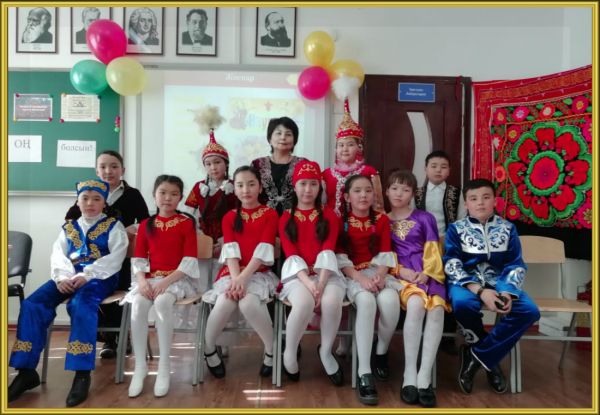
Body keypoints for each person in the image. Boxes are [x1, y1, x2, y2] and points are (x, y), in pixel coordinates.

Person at [8, 179, 128, 407]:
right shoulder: (68, 227)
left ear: (104, 203)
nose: (90, 203)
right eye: (85, 198)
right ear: (77, 201)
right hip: (67, 276)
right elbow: (58, 255)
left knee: (80, 304)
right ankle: (25, 371)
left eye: (96, 199)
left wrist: (88, 275)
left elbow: (116, 258)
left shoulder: (114, 226)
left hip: (100, 278)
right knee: (33, 304)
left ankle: (81, 373)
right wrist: (62, 277)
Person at [443, 178, 540, 395]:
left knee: (529, 311)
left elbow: (515, 263)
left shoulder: (508, 228)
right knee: (462, 304)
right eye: (473, 199)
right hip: (466, 283)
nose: (480, 203)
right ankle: (491, 361)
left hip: (501, 283)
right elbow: (451, 263)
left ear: (495, 201)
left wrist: (506, 292)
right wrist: (480, 291)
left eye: (486, 197)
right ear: (466, 204)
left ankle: (477, 356)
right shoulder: (455, 229)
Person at [65, 150, 150, 359]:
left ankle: (121, 336)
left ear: (123, 170)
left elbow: (147, 223)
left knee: (119, 284)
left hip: (123, 256)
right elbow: (71, 220)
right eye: (102, 167)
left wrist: (131, 229)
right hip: (92, 258)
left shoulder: (132, 194)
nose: (108, 171)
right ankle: (106, 338)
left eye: (114, 166)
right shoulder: (89, 193)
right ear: (96, 171)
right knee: (87, 290)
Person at [125, 175, 200, 398]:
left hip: (177, 279)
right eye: (163, 193)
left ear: (180, 198)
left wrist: (166, 282)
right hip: (150, 279)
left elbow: (189, 261)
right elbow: (139, 259)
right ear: (154, 195)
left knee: (163, 302)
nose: (168, 198)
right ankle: (140, 367)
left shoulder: (186, 223)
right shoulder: (146, 225)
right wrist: (142, 281)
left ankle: (164, 367)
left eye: (174, 194)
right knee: (138, 304)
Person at [202, 166, 279, 379]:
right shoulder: (229, 217)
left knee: (248, 303)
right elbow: (230, 250)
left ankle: (271, 350)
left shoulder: (270, 214)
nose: (246, 190)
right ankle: (209, 349)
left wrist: (243, 279)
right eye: (240, 185)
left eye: (251, 184)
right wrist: (236, 279)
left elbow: (264, 249)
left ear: (260, 187)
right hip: (232, 272)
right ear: (234, 189)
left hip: (259, 272)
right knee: (224, 302)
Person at [322, 97, 384, 357]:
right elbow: (322, 205)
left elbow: (379, 205)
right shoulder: (326, 174)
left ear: (359, 146)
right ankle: (341, 339)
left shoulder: (369, 171)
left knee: (364, 288)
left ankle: (367, 339)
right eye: (340, 145)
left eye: (350, 144)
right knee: (337, 287)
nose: (344, 149)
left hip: (362, 236)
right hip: (335, 236)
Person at [278, 160, 345, 385]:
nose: (308, 190)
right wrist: (309, 284)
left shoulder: (330, 215)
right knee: (304, 303)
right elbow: (290, 252)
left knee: (332, 301)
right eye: (303, 184)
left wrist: (321, 284)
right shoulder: (286, 216)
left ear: (320, 187)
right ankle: (289, 352)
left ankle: (326, 351)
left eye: (313, 184)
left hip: (327, 272)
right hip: (298, 274)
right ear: (295, 186)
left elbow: (328, 249)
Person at [336, 175, 401, 405]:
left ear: (374, 195)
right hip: (353, 274)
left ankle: (380, 351)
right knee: (366, 302)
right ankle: (364, 372)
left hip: (378, 272)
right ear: (347, 196)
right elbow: (340, 258)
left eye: (368, 190)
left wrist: (380, 276)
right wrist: (361, 279)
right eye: (357, 191)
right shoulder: (340, 221)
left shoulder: (381, 220)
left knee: (391, 302)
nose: (363, 195)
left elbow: (386, 253)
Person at [386, 170, 449, 408]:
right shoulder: (382, 220)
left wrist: (428, 273)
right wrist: (399, 270)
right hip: (401, 276)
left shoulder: (425, 218)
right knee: (415, 305)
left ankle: (425, 377)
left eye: (405, 189)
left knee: (437, 310)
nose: (399, 193)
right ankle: (409, 375)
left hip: (428, 273)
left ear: (413, 193)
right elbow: (382, 255)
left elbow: (433, 248)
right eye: (394, 188)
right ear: (387, 191)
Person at [414, 150, 465, 355]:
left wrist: (450, 241)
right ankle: (419, 332)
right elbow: (412, 219)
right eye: (433, 166)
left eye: (443, 167)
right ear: (425, 169)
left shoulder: (456, 193)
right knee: (424, 286)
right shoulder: (417, 193)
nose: (438, 170)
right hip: (423, 247)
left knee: (447, 286)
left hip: (448, 245)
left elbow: (461, 220)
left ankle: (447, 335)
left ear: (449, 170)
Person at [252, 116, 306, 216]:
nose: (283, 137)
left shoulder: (303, 164)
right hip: (263, 218)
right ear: (270, 138)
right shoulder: (257, 164)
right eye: (278, 133)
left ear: (295, 140)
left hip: (295, 218)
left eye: (288, 134)